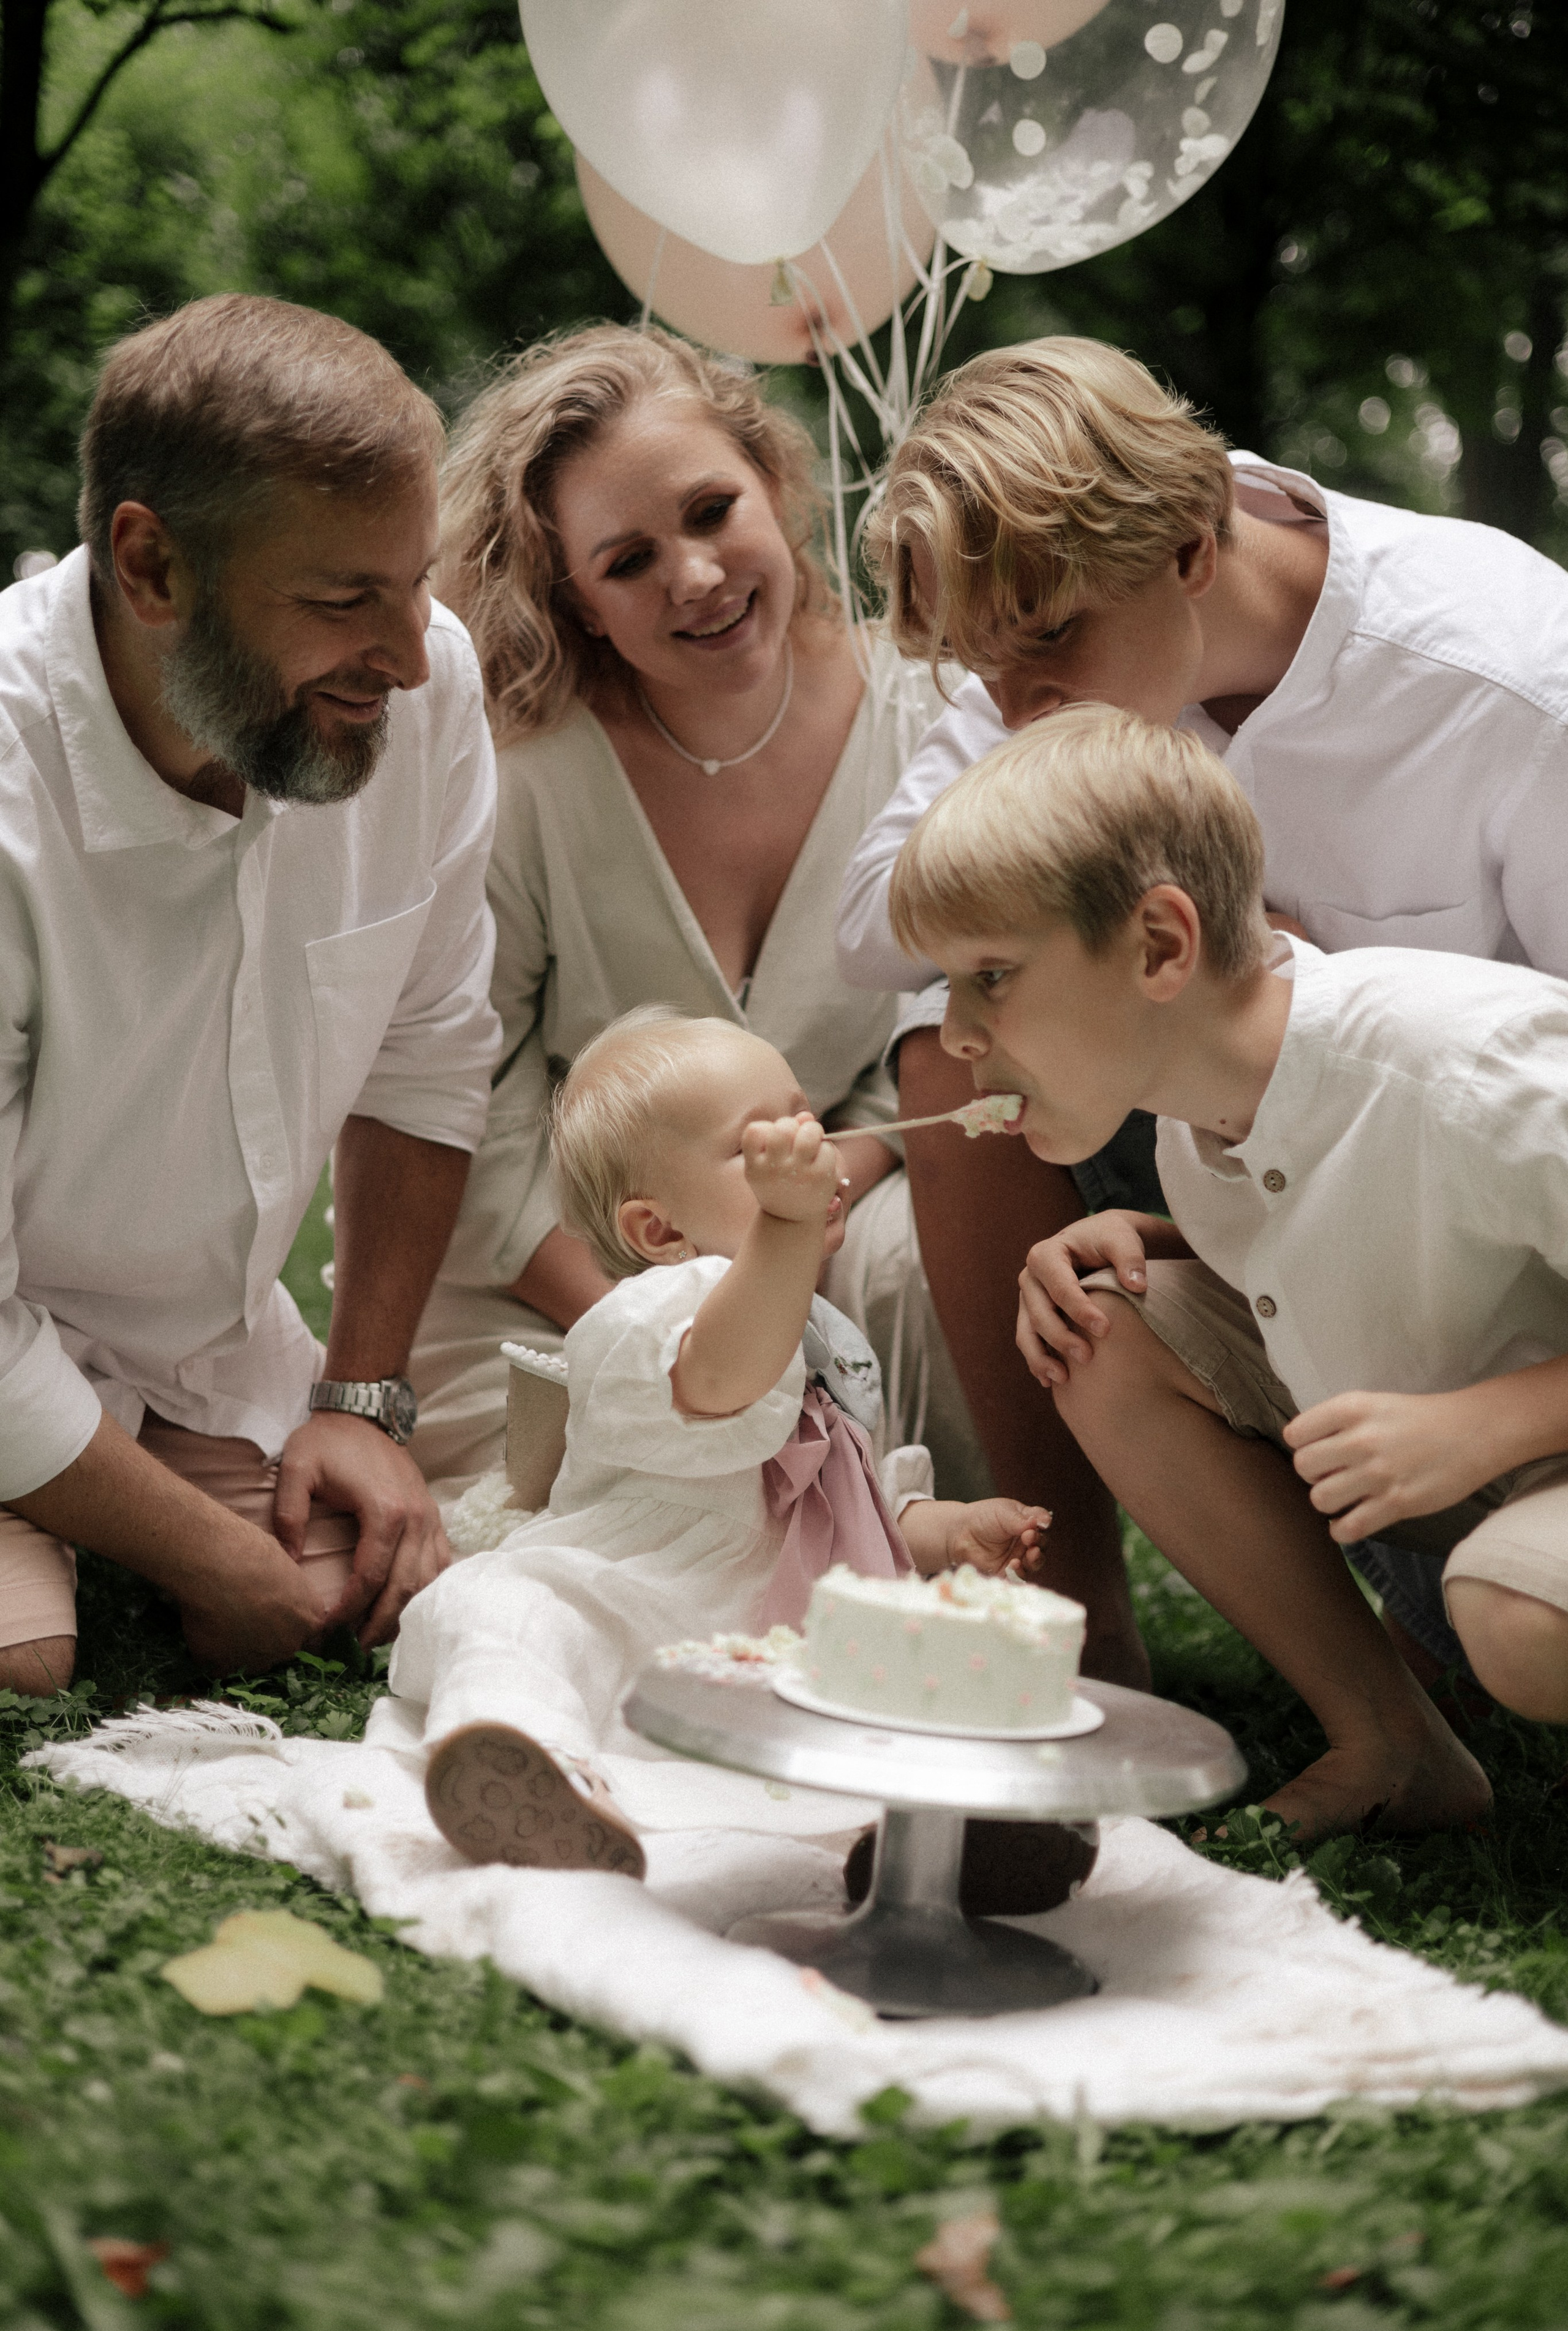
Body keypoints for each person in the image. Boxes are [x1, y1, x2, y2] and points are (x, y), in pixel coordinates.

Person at [837, 332, 1568, 1696]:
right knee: (953, 1034)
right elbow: (869, 920)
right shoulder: (1053, 661)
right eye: (983, 670)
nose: (1018, 711)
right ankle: (1077, 1614)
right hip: (1338, 1232)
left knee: (1504, 1630)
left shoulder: (1509, 686)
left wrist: (1313, 978)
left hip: (1519, 1254)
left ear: (1190, 540)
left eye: (1046, 644)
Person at [886, 700, 1568, 1838]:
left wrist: (1485, 1427)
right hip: (1480, 1461)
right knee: (1103, 1325)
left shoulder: (1461, 1068)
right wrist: (1155, 1239)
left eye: (991, 977)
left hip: (1526, 1456)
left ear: (1160, 945)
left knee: (1520, 1618)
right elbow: (1360, 1221)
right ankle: (1394, 1745)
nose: (956, 1035)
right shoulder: (1193, 1119)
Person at [0, 294, 501, 1694]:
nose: (407, 657)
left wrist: (360, 1405)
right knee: (28, 1657)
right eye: (345, 601)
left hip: (197, 1358)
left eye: (416, 584)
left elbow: (424, 1058)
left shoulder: (424, 685)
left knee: (361, 1586)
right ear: (150, 565)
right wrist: (214, 1562)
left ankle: (94, 1506)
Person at [407, 325, 985, 1509]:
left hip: (835, 1223)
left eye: (714, 511)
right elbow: (468, 1087)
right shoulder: (526, 775)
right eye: (628, 561)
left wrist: (813, 1197)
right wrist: (659, 1325)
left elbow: (945, 1020)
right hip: (555, 1267)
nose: (697, 577)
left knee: (937, 1276)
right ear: (576, 604)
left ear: (775, 485)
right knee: (579, 1527)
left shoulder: (934, 720)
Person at [396, 1010, 1052, 1886]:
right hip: (633, 1594)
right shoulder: (654, 1314)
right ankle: (525, 1760)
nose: (808, 1149)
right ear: (659, 1233)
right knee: (512, 1613)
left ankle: (954, 1833)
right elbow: (720, 1380)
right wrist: (785, 1231)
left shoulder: (827, 1336)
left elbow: (838, 1495)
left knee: (929, 1665)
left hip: (777, 1636)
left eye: (805, 1119)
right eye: (760, 1148)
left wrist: (945, 1531)